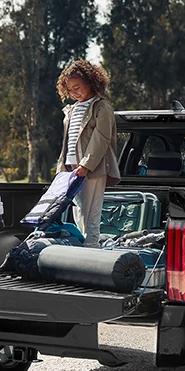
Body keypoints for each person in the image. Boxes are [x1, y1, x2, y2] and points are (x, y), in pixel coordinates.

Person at [54, 60, 120, 247]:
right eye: (70, 90)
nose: (74, 92)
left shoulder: (101, 107)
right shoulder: (72, 109)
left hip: (92, 168)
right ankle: (82, 249)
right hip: (71, 169)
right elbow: (67, 141)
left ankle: (91, 250)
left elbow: (101, 139)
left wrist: (86, 165)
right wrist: (63, 168)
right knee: (79, 212)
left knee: (90, 213)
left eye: (78, 87)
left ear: (90, 82)